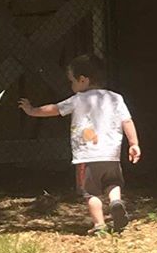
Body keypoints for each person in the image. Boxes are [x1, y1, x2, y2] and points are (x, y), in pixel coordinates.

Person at [20, 54, 140, 234]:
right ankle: (115, 201)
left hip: (87, 157)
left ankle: (99, 225)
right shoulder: (116, 98)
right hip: (111, 156)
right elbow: (127, 121)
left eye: (72, 81)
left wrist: (32, 111)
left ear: (83, 80)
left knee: (91, 193)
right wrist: (134, 143)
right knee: (113, 183)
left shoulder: (77, 100)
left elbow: (54, 109)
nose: (71, 86)